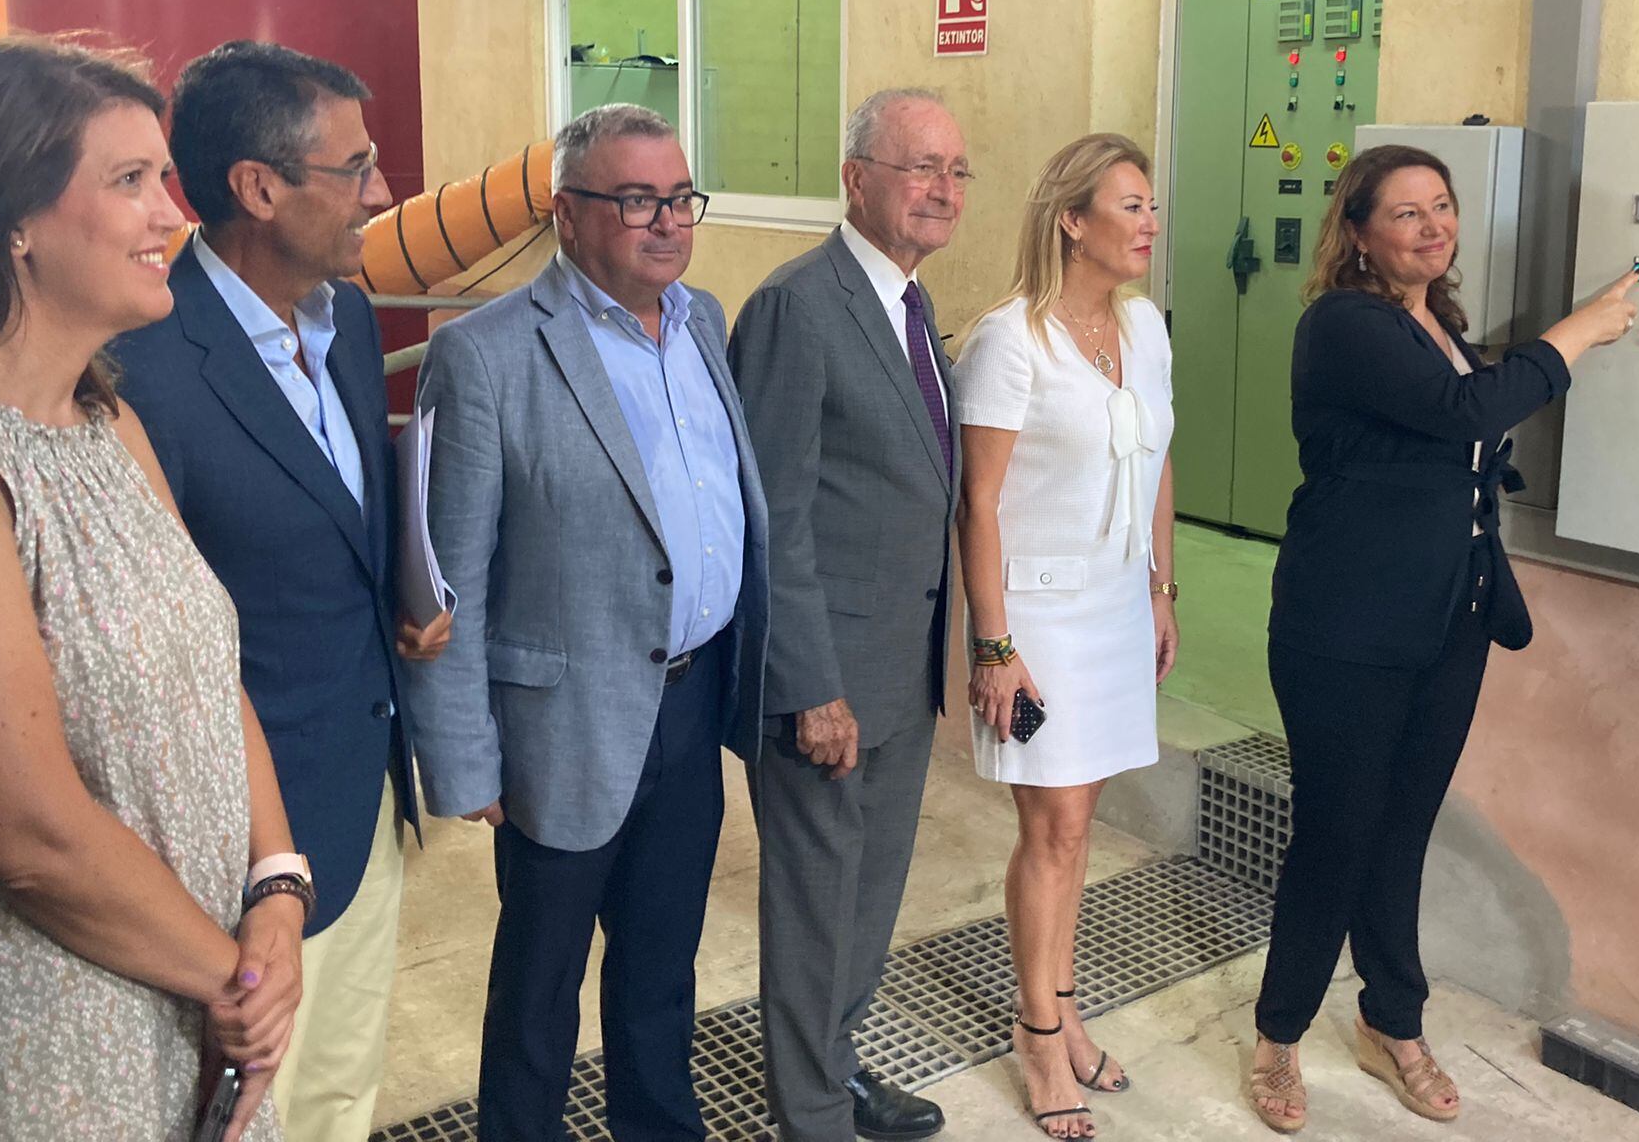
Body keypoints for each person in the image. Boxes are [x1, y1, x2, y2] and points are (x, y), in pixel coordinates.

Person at [0, 38, 304, 1142]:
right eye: (130, 181)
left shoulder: (107, 426)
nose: (175, 216)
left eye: (166, 180)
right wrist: (236, 982)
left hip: (197, 992)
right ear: (10, 216)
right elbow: (29, 838)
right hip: (37, 1042)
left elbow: (212, 676)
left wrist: (278, 895)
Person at [1244, 144, 1637, 1133]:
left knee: (1400, 831)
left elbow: (1460, 420)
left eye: (1442, 207)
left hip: (1445, 619)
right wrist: (1577, 332)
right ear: (1359, 232)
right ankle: (1278, 1033)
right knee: (1334, 835)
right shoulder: (1342, 325)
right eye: (1405, 213)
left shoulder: (1438, 324)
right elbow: (1461, 410)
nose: (1430, 227)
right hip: (1343, 625)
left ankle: (1390, 1022)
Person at [407, 104, 771, 1142]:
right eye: (636, 200)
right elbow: (451, 579)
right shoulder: (483, 357)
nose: (667, 222)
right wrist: (468, 765)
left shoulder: (701, 320)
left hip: (690, 701)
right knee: (537, 994)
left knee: (661, 967)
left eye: (679, 198)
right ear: (567, 215)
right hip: (560, 726)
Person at [113, 41, 451, 1142]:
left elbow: (340, 531)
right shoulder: (138, 372)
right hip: (238, 857)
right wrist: (263, 866)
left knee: (340, 1095)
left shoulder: (346, 320)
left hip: (364, 792)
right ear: (257, 188)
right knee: (251, 1114)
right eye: (353, 167)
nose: (384, 191)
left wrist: (404, 596)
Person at [728, 88, 969, 1142]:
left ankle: (839, 1066)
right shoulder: (798, 305)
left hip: (901, 673)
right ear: (855, 177)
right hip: (824, 683)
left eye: (956, 170)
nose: (941, 189)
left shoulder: (912, 314)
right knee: (816, 913)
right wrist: (805, 684)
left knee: (867, 907)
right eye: (919, 167)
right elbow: (769, 515)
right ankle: (810, 1116)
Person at [953, 133, 1178, 1142]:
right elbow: (979, 502)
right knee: (1052, 828)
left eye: (1150, 205)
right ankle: (1036, 1029)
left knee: (1079, 826)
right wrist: (994, 644)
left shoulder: (1144, 330)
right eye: (1126, 205)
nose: (1147, 223)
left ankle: (1063, 998)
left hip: (1117, 606)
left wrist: (1161, 591)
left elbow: (1159, 462)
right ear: (1070, 221)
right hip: (1037, 613)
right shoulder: (1010, 340)